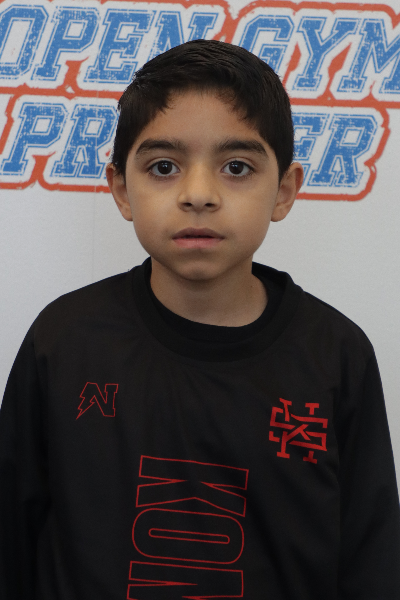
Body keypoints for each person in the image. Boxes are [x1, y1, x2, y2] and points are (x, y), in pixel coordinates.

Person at [0, 39, 399, 600]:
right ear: (121, 189)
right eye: (164, 167)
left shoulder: (335, 355)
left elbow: (371, 561)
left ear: (284, 191)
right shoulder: (65, 339)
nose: (198, 195)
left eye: (236, 167)